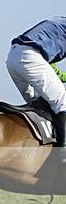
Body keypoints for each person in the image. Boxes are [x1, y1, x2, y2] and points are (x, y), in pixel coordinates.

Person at [5, 17, 66, 147]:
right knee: (62, 102)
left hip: (13, 58)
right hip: (30, 57)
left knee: (40, 103)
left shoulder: (59, 22)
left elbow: (51, 67)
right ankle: (62, 150)